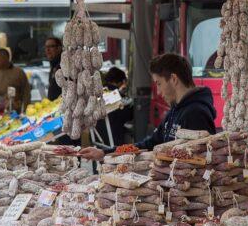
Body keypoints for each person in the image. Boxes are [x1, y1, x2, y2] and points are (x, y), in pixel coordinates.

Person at [80, 53, 217, 160]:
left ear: (174, 79)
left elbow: (200, 161)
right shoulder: (175, 110)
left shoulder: (196, 113)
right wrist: (105, 152)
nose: (158, 91)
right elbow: (150, 144)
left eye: (158, 83)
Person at [0, 48, 31, 113]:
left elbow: (26, 93)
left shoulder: (18, 72)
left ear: (6, 58)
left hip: (14, 112)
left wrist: (25, 110)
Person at [96, 67, 133, 146]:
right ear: (121, 81)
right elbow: (127, 116)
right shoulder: (116, 96)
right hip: (113, 140)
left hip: (97, 138)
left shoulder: (99, 92)